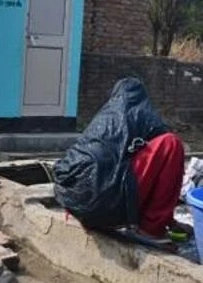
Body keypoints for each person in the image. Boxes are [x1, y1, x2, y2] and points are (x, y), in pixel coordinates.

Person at [53, 77, 191, 242]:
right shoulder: (143, 117)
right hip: (106, 204)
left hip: (78, 204)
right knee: (171, 144)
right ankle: (151, 228)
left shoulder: (101, 120)